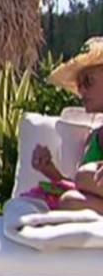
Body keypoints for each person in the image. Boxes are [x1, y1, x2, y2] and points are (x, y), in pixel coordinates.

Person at [29, 37, 103, 214]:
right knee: (71, 199)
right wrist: (51, 172)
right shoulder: (92, 139)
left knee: (84, 176)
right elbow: (81, 188)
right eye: (79, 84)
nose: (82, 90)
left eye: (89, 81)